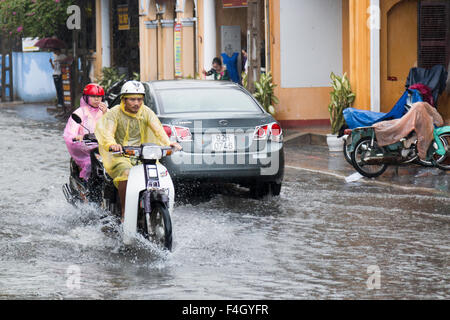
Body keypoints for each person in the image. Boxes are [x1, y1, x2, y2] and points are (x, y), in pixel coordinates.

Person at [95, 81, 182, 221]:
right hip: (119, 155)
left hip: (142, 154)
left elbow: (158, 129)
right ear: (123, 99)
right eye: (132, 99)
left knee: (158, 172)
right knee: (126, 173)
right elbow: (108, 132)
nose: (136, 103)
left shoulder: (146, 112)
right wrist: (112, 144)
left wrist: (168, 143)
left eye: (139, 99)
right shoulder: (115, 113)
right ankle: (125, 212)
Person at [63, 83, 108, 181]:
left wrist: (106, 114)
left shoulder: (107, 112)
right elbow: (70, 133)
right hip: (87, 147)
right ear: (86, 97)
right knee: (89, 164)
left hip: (105, 146)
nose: (97, 99)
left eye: (99, 97)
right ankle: (85, 185)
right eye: (93, 96)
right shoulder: (79, 113)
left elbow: (114, 127)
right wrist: (79, 137)